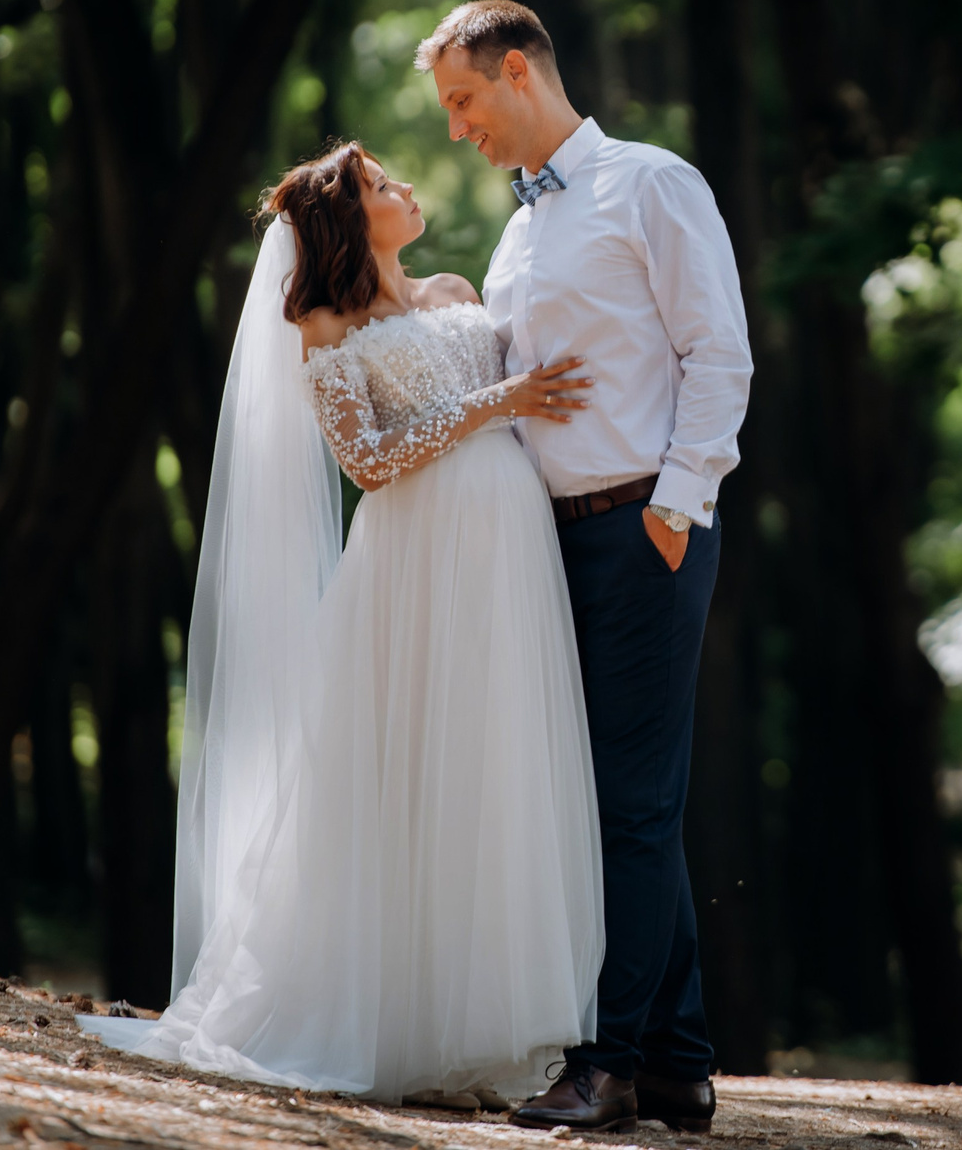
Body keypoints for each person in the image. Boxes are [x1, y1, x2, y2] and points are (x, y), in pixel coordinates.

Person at [81, 142, 605, 1107]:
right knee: (404, 761)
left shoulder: (455, 288)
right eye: (383, 185)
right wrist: (502, 400)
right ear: (349, 220)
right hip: (413, 558)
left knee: (491, 763)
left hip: (508, 550)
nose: (407, 188)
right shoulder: (325, 324)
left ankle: (491, 1027)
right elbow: (365, 460)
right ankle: (386, 1013)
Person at [422, 0, 752, 1134]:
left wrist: (677, 503)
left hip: (640, 530)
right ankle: (678, 1062)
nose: (457, 128)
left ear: (518, 71)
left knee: (631, 802)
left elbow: (718, 348)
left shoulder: (650, 183)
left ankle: (603, 1063)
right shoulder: (518, 230)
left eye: (463, 101)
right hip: (549, 542)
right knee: (620, 803)